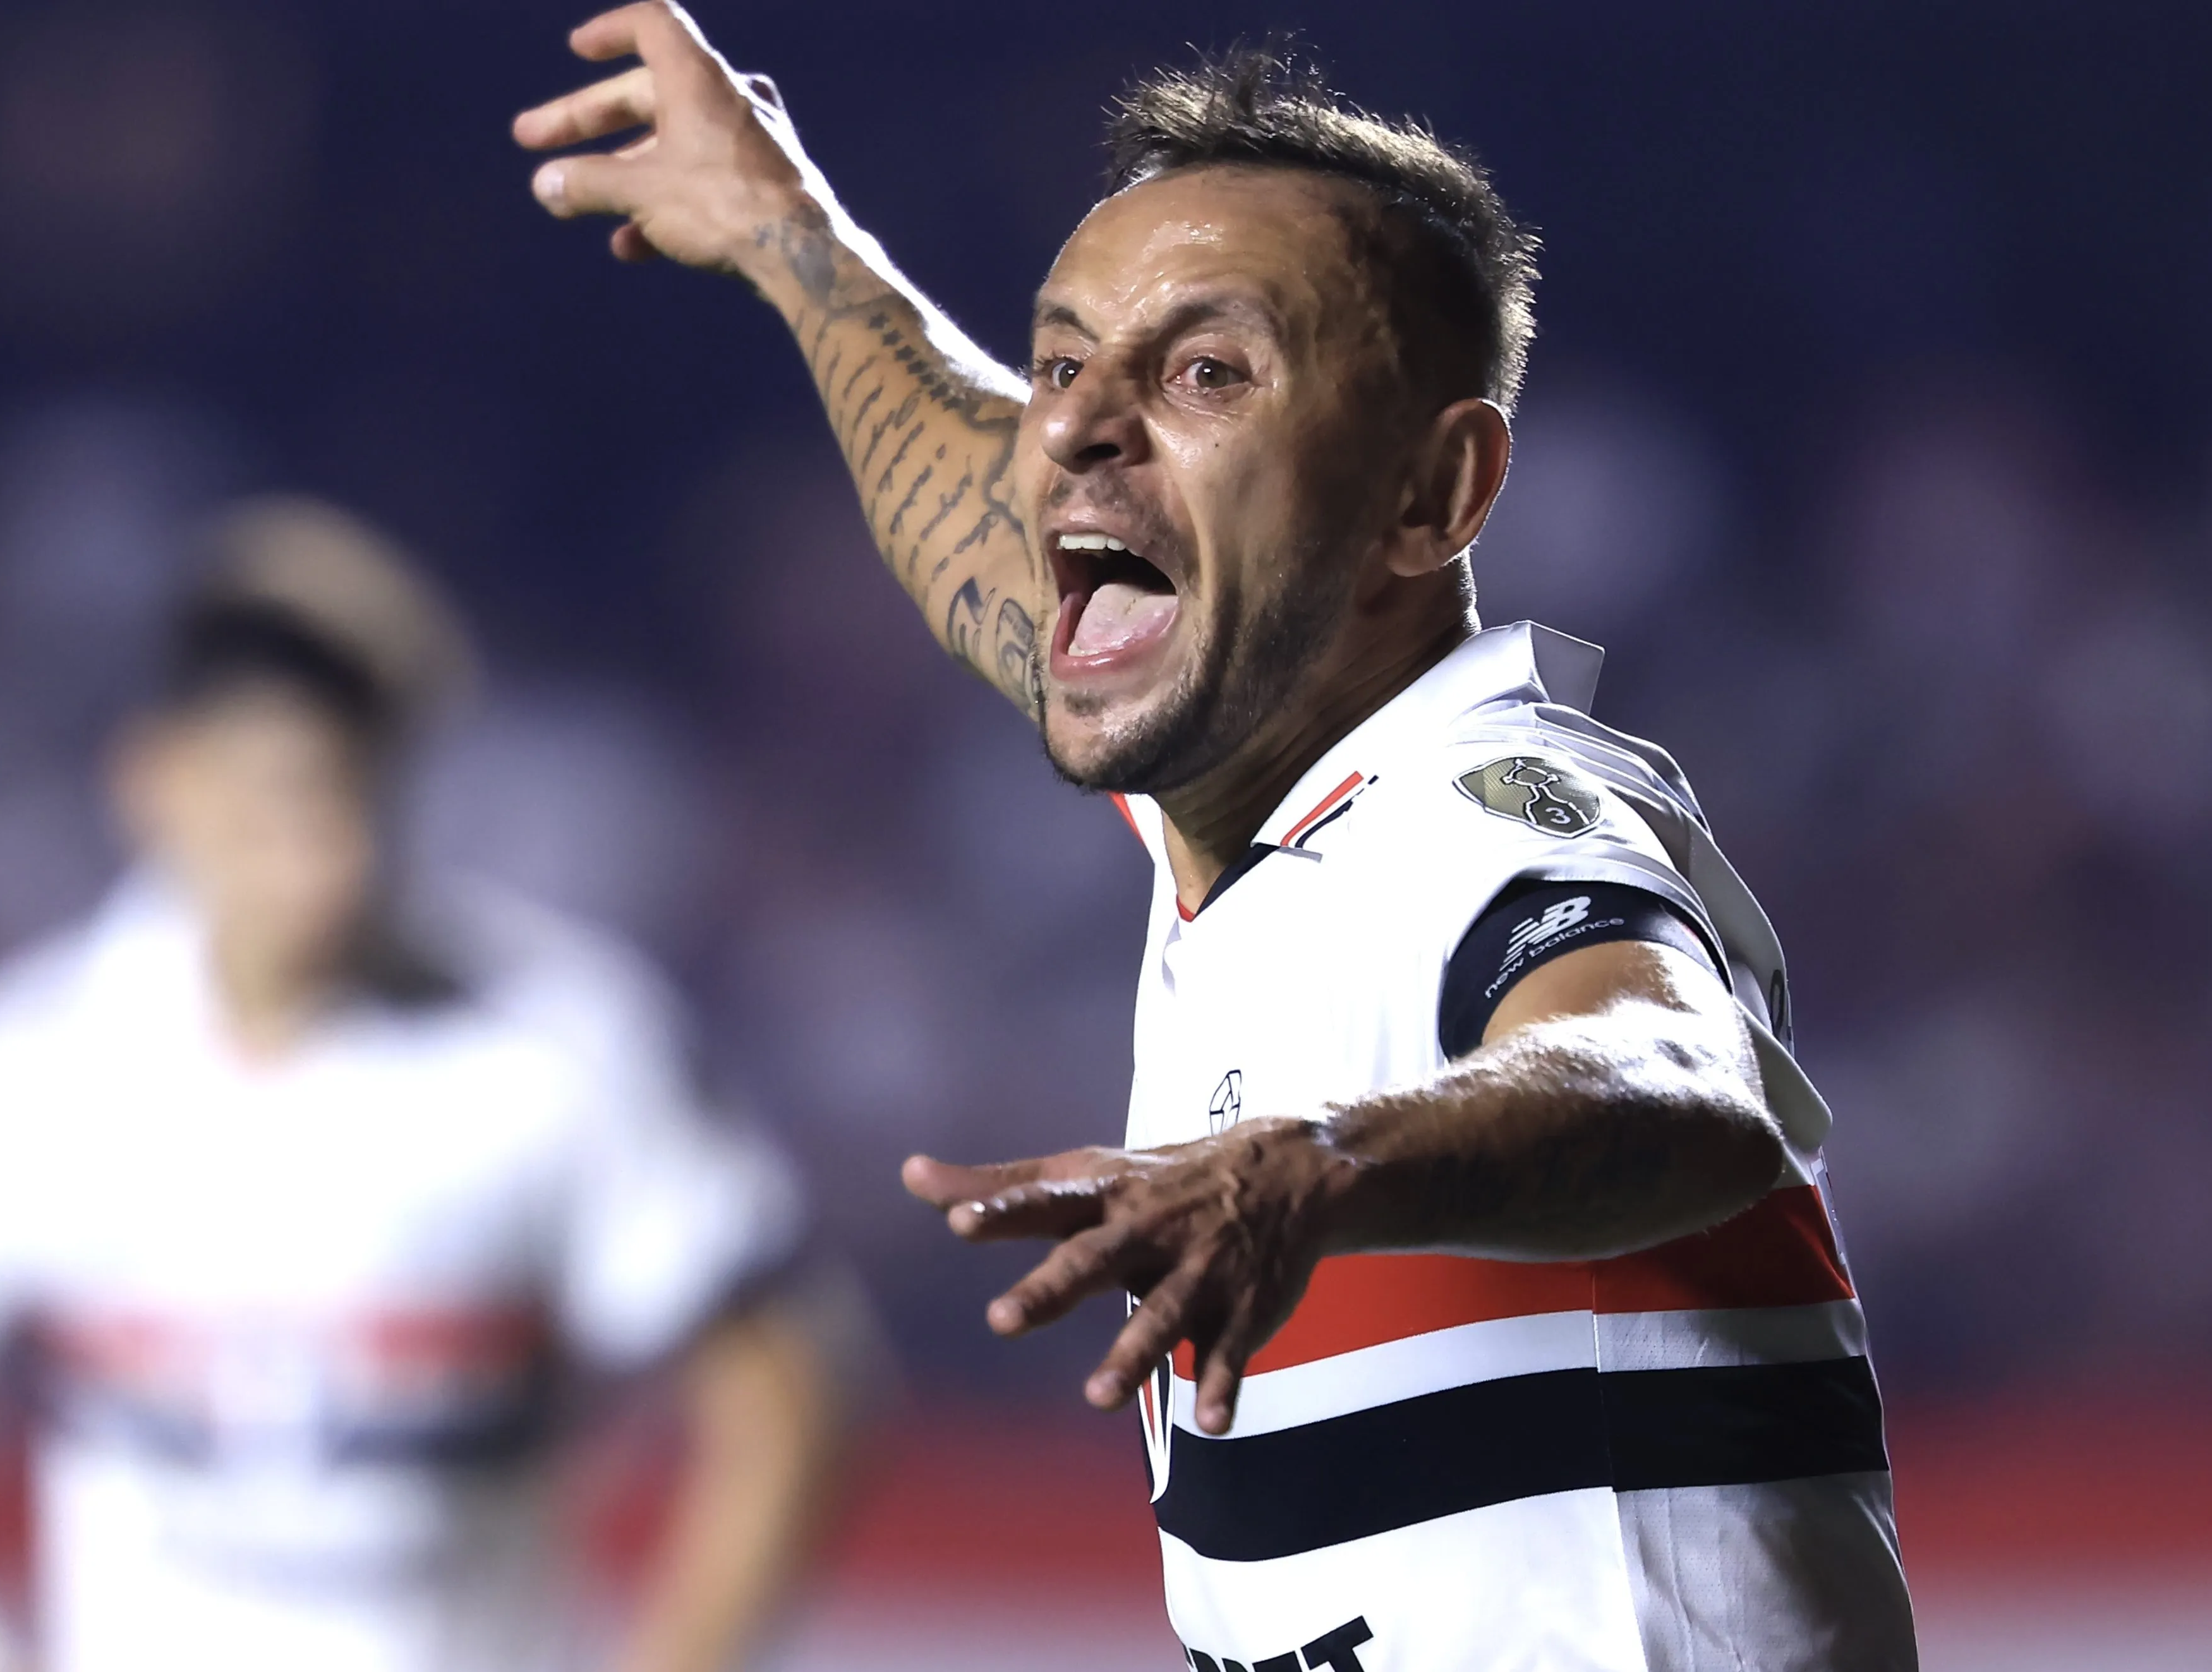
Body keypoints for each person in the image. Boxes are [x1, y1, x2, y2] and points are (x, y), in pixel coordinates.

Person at [514, 8, 1918, 1670]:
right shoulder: (1247, 788)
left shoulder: (1486, 810)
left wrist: (1320, 1162)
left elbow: (1687, 1079)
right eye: (1062, 363)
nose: (1074, 429)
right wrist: (788, 238)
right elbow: (984, 502)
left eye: (1206, 372)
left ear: (1432, 493)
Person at [0, 497, 847, 1672]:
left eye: (354, 796)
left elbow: (784, 1397)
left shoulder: (552, 1045)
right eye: (275, 797)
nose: (324, 858)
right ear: (154, 780)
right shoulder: (34, 1068)